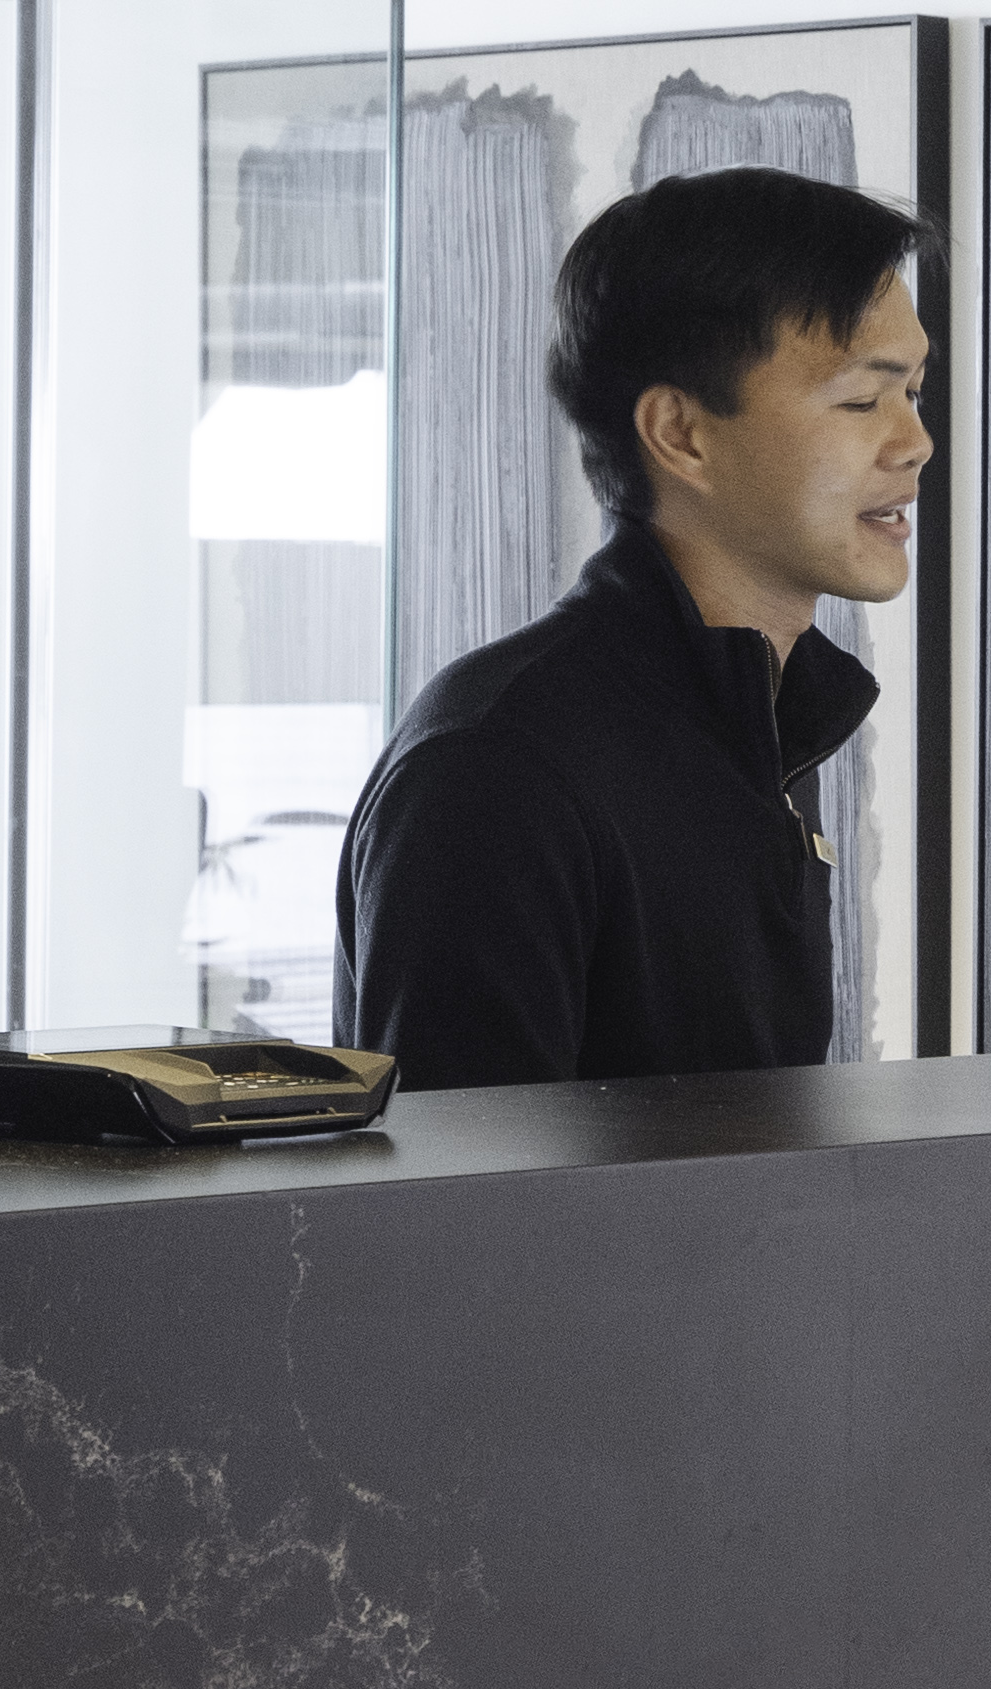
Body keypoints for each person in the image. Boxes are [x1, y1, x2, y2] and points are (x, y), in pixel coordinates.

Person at [336, 166, 934, 1089]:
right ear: (682, 434)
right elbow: (449, 1217)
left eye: (915, 394)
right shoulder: (497, 769)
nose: (914, 442)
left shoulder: (761, 726)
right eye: (864, 399)